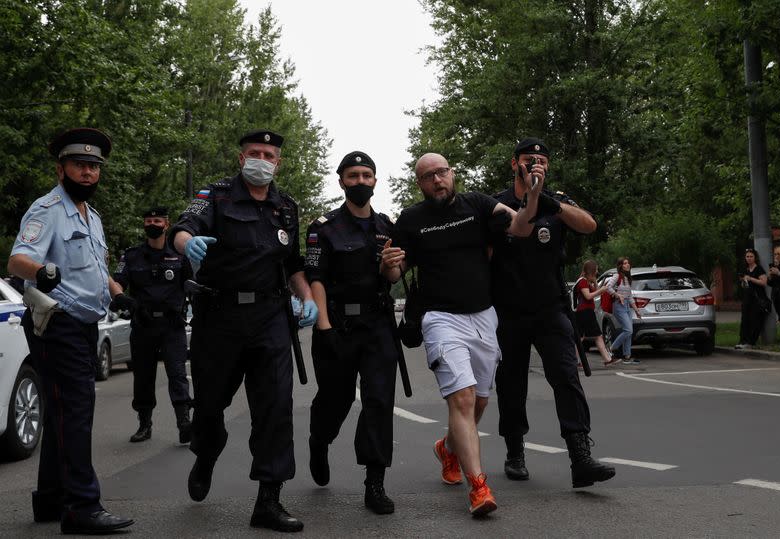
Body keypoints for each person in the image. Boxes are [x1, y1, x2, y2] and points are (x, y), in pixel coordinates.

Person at [169, 129, 318, 533]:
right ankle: (206, 451)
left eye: (268, 154)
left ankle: (268, 500)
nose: (261, 159)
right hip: (218, 317)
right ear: (241, 159)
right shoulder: (215, 195)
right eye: (254, 153)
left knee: (275, 407)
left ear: (278, 163)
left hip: (270, 318)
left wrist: (305, 296)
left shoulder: (286, 207)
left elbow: (292, 264)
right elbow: (182, 227)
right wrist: (188, 244)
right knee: (211, 404)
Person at [381, 152, 541, 517]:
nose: (437, 180)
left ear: (452, 174)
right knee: (464, 400)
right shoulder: (411, 219)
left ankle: (448, 448)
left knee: (480, 402)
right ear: (419, 183)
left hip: (484, 316)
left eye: (442, 173)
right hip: (441, 319)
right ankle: (479, 488)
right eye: (428, 177)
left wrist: (532, 197)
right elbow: (396, 271)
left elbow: (521, 228)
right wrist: (388, 267)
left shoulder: (479, 205)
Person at [7, 128, 134, 534]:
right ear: (61, 168)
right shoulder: (46, 209)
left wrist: (117, 292)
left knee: (65, 411)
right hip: (56, 322)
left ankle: (50, 500)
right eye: (80, 165)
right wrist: (40, 271)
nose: (87, 172)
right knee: (76, 413)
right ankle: (82, 506)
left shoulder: (91, 217)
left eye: (94, 166)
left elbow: (96, 267)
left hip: (84, 325)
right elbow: (18, 260)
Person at [490, 137, 616, 489]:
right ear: (513, 163)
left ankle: (580, 457)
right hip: (509, 310)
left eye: (541, 159)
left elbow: (589, 225)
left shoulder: (557, 201)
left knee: (566, 376)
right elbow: (515, 231)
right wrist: (531, 200)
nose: (535, 164)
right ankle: (515, 450)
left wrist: (551, 203)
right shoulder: (497, 204)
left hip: (550, 307)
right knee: (511, 384)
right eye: (528, 159)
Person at [304, 151, 399, 514]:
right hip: (338, 326)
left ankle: (374, 483)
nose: (360, 181)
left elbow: (392, 277)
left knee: (378, 401)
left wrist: (391, 268)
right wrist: (324, 326)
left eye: (366, 175)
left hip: (376, 326)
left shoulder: (386, 226)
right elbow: (316, 278)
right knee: (335, 400)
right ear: (341, 180)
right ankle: (319, 440)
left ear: (375, 181)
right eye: (353, 175)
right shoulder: (323, 227)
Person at [113, 207, 193, 444]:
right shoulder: (132, 255)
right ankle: (144, 424)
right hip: (143, 325)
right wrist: (120, 297)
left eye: (157, 220)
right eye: (148, 220)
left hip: (172, 325)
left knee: (178, 374)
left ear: (166, 224)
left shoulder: (180, 256)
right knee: (143, 377)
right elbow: (117, 282)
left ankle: (184, 422)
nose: (152, 224)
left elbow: (193, 284)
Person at [574, 260, 617, 366]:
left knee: (580, 337)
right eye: (596, 269)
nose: (597, 271)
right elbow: (588, 296)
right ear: (591, 270)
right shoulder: (583, 281)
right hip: (585, 312)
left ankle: (575, 361)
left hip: (583, 312)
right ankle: (607, 359)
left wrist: (595, 282)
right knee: (597, 336)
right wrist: (601, 289)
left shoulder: (585, 281)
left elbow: (596, 292)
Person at [607, 256, 642, 364]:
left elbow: (630, 296)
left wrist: (636, 310)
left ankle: (627, 357)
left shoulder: (627, 278)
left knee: (629, 332)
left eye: (628, 263)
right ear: (620, 266)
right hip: (619, 306)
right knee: (628, 330)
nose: (627, 265)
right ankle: (611, 349)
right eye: (625, 263)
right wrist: (618, 295)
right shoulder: (617, 276)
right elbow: (608, 287)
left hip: (627, 306)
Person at [735, 248, 769, 349]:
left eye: (751, 256)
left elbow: (764, 282)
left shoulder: (759, 269)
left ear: (755, 258)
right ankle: (742, 341)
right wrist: (743, 281)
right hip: (747, 298)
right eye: (747, 257)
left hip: (757, 299)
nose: (749, 258)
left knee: (755, 320)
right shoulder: (745, 269)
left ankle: (751, 342)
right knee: (745, 319)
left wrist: (751, 279)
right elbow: (744, 286)